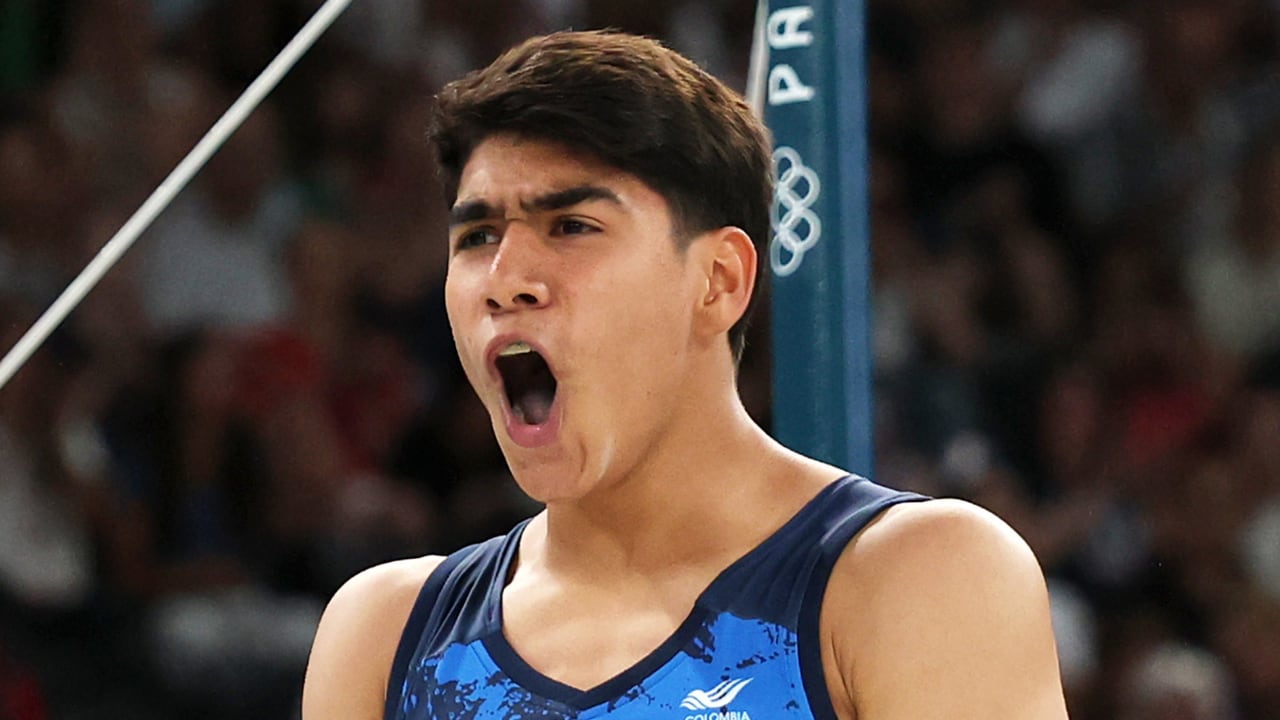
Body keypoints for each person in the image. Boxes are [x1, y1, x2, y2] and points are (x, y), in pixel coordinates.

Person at [303, 30, 1068, 720]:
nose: (505, 278)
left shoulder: (917, 581)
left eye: (571, 226)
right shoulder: (386, 634)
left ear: (718, 281)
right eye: (477, 235)